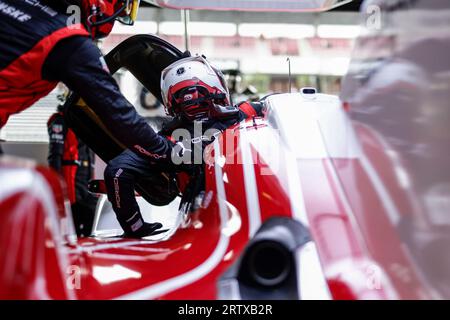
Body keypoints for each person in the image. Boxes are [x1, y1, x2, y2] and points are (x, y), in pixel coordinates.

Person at [0, 0, 174, 237]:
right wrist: (166, 151)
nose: (122, 12)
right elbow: (117, 112)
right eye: (123, 5)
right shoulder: (67, 40)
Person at [104, 56, 264, 238]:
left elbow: (116, 172)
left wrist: (135, 226)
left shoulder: (167, 141)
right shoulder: (248, 113)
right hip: (260, 208)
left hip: (198, 226)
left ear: (171, 100)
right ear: (216, 85)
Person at [48, 93, 98, 237]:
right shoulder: (60, 121)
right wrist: (57, 189)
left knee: (91, 227)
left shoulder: (85, 122)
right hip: (72, 186)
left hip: (87, 184)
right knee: (73, 230)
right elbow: (55, 156)